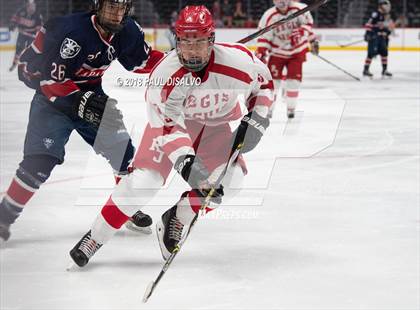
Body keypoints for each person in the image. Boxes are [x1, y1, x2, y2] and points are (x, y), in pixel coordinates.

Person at [69, 5, 274, 267]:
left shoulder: (238, 61)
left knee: (231, 182)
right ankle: (96, 237)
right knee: (144, 182)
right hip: (173, 128)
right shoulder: (164, 75)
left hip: (214, 128)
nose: (191, 50)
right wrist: (186, 162)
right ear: (176, 40)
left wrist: (257, 119)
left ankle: (178, 216)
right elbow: (167, 126)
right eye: (185, 42)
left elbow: (264, 84)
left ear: (211, 40)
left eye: (199, 42)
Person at [0, 0, 165, 243]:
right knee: (39, 162)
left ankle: (125, 207)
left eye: (121, 7)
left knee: (124, 153)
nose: (116, 13)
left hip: (91, 95)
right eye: (111, 6)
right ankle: (4, 216)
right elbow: (47, 80)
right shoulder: (72, 33)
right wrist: (79, 100)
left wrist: (177, 61)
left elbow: (144, 61)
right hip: (52, 101)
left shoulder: (127, 30)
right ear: (98, 6)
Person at [255, 0, 318, 119]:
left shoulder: (300, 9)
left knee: (294, 82)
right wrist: (261, 51)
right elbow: (264, 36)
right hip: (277, 53)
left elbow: (308, 25)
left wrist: (305, 35)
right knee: (273, 83)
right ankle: (269, 108)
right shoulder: (269, 15)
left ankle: (291, 109)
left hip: (297, 52)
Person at [8, 0, 43, 72]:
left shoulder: (37, 15)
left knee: (30, 50)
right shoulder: (21, 11)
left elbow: (40, 26)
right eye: (31, 6)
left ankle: (30, 65)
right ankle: (14, 63)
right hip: (22, 33)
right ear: (27, 6)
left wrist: (37, 30)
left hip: (31, 34)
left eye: (34, 6)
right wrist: (12, 25)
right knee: (19, 48)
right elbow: (14, 19)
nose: (32, 8)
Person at [363, 0, 393, 78]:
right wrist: (368, 34)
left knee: (384, 52)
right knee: (371, 53)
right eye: (385, 5)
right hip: (374, 37)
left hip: (381, 37)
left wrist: (386, 32)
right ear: (381, 5)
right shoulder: (375, 14)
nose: (387, 7)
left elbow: (382, 27)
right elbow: (368, 24)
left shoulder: (384, 15)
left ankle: (384, 70)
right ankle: (365, 70)